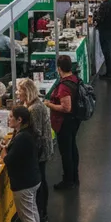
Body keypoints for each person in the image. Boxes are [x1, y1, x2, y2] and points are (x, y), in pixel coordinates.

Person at [2, 106, 41, 222]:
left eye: (11, 117)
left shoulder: (22, 137)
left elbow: (8, 160)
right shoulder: (25, 134)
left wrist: (4, 152)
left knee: (27, 216)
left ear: (19, 120)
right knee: (32, 211)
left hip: (24, 183)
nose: (8, 119)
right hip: (32, 179)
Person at [17, 78, 53, 222]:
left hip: (41, 150)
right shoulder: (33, 105)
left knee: (40, 181)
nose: (18, 93)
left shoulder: (35, 109)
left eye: (20, 91)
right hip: (41, 148)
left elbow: (37, 132)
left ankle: (42, 212)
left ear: (27, 91)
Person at [45, 55, 81, 190]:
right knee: (72, 148)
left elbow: (66, 108)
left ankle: (68, 180)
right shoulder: (75, 79)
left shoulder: (64, 87)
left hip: (65, 123)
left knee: (66, 152)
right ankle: (74, 177)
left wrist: (49, 105)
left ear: (59, 68)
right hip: (74, 120)